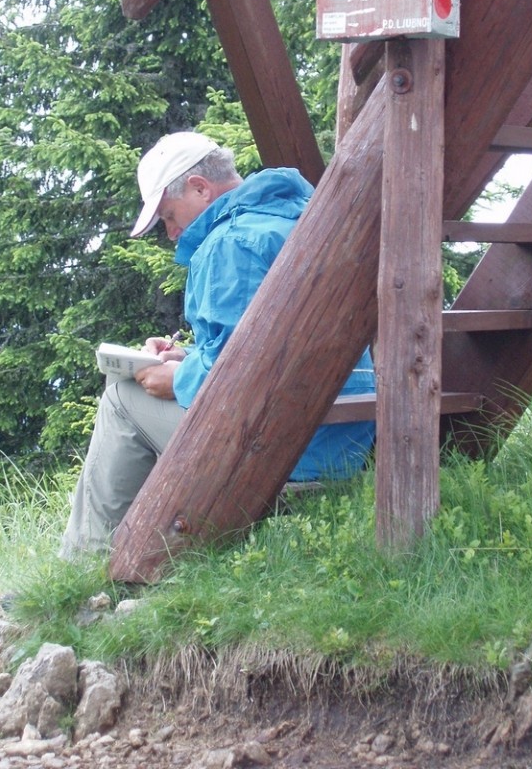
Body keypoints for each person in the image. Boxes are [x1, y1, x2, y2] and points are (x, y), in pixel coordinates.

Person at [60, 131, 376, 557]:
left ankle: (86, 562)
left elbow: (245, 375)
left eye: (169, 216)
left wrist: (178, 378)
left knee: (122, 399)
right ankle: (145, 544)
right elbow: (269, 348)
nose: (170, 233)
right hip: (341, 437)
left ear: (200, 188)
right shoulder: (300, 218)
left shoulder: (230, 243)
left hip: (288, 448)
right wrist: (187, 358)